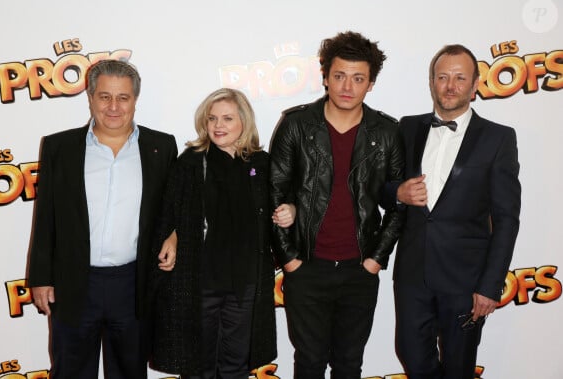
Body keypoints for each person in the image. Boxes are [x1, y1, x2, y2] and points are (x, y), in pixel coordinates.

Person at [27, 59, 178, 379]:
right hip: (74, 283)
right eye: (104, 96)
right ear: (90, 97)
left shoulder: (161, 146)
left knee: (129, 371)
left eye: (123, 98)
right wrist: (41, 276)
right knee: (70, 371)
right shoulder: (60, 147)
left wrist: (175, 235)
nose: (114, 107)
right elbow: (45, 217)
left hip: (133, 284)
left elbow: (174, 207)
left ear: (135, 100)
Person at [269, 31, 405, 379]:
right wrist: (290, 259)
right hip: (307, 268)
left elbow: (399, 202)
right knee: (309, 363)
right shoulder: (297, 125)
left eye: (358, 78)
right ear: (325, 76)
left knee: (349, 365)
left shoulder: (387, 133)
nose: (348, 86)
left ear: (371, 84)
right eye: (340, 75)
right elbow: (273, 193)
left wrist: (376, 259)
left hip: (359, 269)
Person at [392, 44, 521, 379]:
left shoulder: (498, 138)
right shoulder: (407, 128)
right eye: (442, 77)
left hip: (466, 281)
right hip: (413, 275)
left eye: (460, 78)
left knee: (459, 367)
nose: (450, 85)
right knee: (410, 353)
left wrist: (490, 285)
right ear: (432, 82)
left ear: (475, 85)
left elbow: (506, 219)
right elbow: (381, 186)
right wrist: (398, 192)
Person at [149, 88, 295, 379]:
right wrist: (173, 236)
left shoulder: (262, 164)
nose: (218, 125)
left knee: (235, 367)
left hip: (245, 282)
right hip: (200, 281)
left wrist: (291, 209)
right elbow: (172, 214)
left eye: (227, 118)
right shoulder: (191, 162)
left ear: (244, 121)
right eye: (212, 118)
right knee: (197, 367)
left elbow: (288, 203)